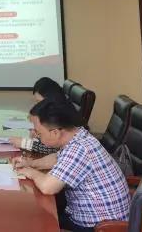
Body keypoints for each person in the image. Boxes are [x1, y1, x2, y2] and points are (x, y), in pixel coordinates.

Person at [11, 99, 129, 232]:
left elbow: (48, 187)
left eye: (39, 133)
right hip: (96, 218)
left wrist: (29, 171)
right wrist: (31, 163)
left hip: (100, 226)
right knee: (35, 216)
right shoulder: (78, 135)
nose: (36, 136)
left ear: (55, 132)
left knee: (31, 222)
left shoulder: (79, 149)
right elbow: (57, 158)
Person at [9, 77, 66, 153]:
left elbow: (55, 150)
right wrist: (38, 131)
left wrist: (25, 143)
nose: (36, 105)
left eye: (39, 102)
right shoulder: (54, 108)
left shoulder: (59, 114)